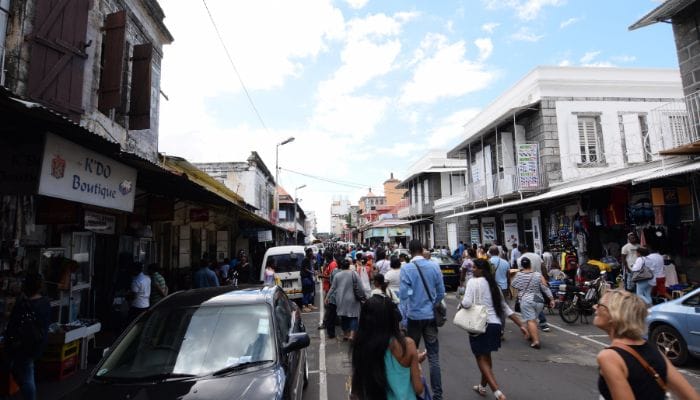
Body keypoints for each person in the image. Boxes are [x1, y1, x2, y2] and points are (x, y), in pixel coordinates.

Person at [594, 289, 699, 400]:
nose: (595, 307)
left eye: (600, 305)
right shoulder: (654, 351)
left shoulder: (609, 357)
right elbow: (691, 396)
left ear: (613, 316)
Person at [462, 259, 528, 400]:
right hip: (495, 325)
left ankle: (497, 392)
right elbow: (505, 308)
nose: (472, 270)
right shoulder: (494, 285)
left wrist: (461, 303)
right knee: (487, 356)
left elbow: (467, 303)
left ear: (481, 270)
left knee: (480, 358)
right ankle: (482, 386)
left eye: (474, 267)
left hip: (478, 325)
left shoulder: (472, 282)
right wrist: (521, 325)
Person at [350, 295, 426, 399]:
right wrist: (415, 362)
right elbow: (419, 388)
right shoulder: (407, 345)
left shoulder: (361, 346)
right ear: (392, 318)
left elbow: (356, 390)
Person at [399, 239, 445, 399]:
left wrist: (413, 297)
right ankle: (438, 395)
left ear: (410, 251)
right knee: (433, 357)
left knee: (411, 355)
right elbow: (441, 292)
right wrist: (432, 302)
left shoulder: (407, 268)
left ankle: (414, 391)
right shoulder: (434, 266)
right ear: (422, 249)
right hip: (430, 316)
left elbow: (404, 295)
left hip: (413, 317)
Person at [2, 273, 50, 400]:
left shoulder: (23, 304)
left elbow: (13, 324)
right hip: (36, 344)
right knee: (26, 371)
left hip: (21, 345)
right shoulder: (44, 302)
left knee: (25, 374)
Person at [511, 257, 554, 349]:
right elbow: (545, 287)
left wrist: (521, 286)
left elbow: (513, 284)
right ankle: (530, 334)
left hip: (526, 299)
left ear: (522, 265)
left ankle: (536, 341)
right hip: (538, 299)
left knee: (531, 321)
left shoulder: (519, 275)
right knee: (532, 319)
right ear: (530, 264)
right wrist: (551, 299)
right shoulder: (538, 275)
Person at [326, 259, 363, 341]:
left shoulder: (337, 276)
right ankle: (352, 335)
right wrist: (363, 296)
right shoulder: (354, 274)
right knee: (353, 316)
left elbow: (332, 288)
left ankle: (346, 334)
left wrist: (327, 297)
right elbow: (360, 286)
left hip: (341, 299)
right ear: (349, 266)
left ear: (341, 266)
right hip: (353, 299)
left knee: (344, 317)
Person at [301, 248, 317, 313]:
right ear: (308, 253)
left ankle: (310, 305)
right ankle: (304, 306)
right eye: (311, 252)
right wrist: (312, 272)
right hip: (305, 278)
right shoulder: (305, 259)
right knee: (306, 292)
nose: (312, 253)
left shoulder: (310, 259)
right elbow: (305, 269)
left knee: (310, 292)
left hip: (309, 277)